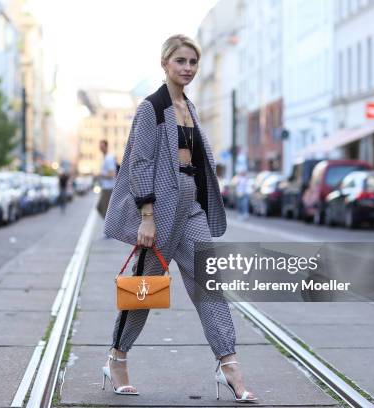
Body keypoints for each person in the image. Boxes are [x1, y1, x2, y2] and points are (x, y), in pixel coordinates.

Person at [102, 34, 258, 402]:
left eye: (193, 63)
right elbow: (139, 164)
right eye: (181, 62)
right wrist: (146, 216)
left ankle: (229, 363)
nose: (187, 69)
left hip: (191, 210)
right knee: (144, 292)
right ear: (165, 63)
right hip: (160, 212)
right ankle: (117, 357)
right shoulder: (151, 109)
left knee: (210, 284)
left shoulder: (191, 107)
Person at [97, 140, 117, 219]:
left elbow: (112, 174)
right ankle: (109, 227)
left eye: (102, 146)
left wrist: (101, 174)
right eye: (100, 146)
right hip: (106, 187)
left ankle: (110, 228)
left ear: (106, 146)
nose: (100, 148)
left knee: (105, 210)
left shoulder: (108, 158)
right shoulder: (105, 158)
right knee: (102, 208)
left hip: (109, 188)